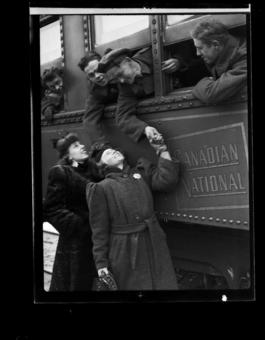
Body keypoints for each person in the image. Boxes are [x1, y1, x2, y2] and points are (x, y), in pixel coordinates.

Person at [86, 136, 179, 290]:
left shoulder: (140, 173)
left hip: (154, 241)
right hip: (125, 251)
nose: (114, 152)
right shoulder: (101, 188)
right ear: (102, 165)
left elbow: (167, 180)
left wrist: (162, 150)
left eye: (114, 150)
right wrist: (101, 264)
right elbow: (99, 231)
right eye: (108, 154)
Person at [78, 48, 180, 144]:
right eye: (91, 75)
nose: (97, 76)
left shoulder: (151, 54)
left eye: (98, 70)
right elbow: (93, 120)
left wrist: (179, 61)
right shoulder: (108, 89)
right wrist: (145, 129)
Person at [43, 132, 100, 291]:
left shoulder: (94, 171)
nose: (82, 146)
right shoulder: (61, 172)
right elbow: (52, 209)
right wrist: (80, 226)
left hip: (97, 240)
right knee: (75, 286)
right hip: (76, 244)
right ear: (68, 156)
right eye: (75, 146)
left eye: (80, 144)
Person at [189, 18, 247, 104]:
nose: (197, 53)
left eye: (200, 48)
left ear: (216, 44)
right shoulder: (222, 52)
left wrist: (205, 81)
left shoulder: (244, 57)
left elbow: (211, 95)